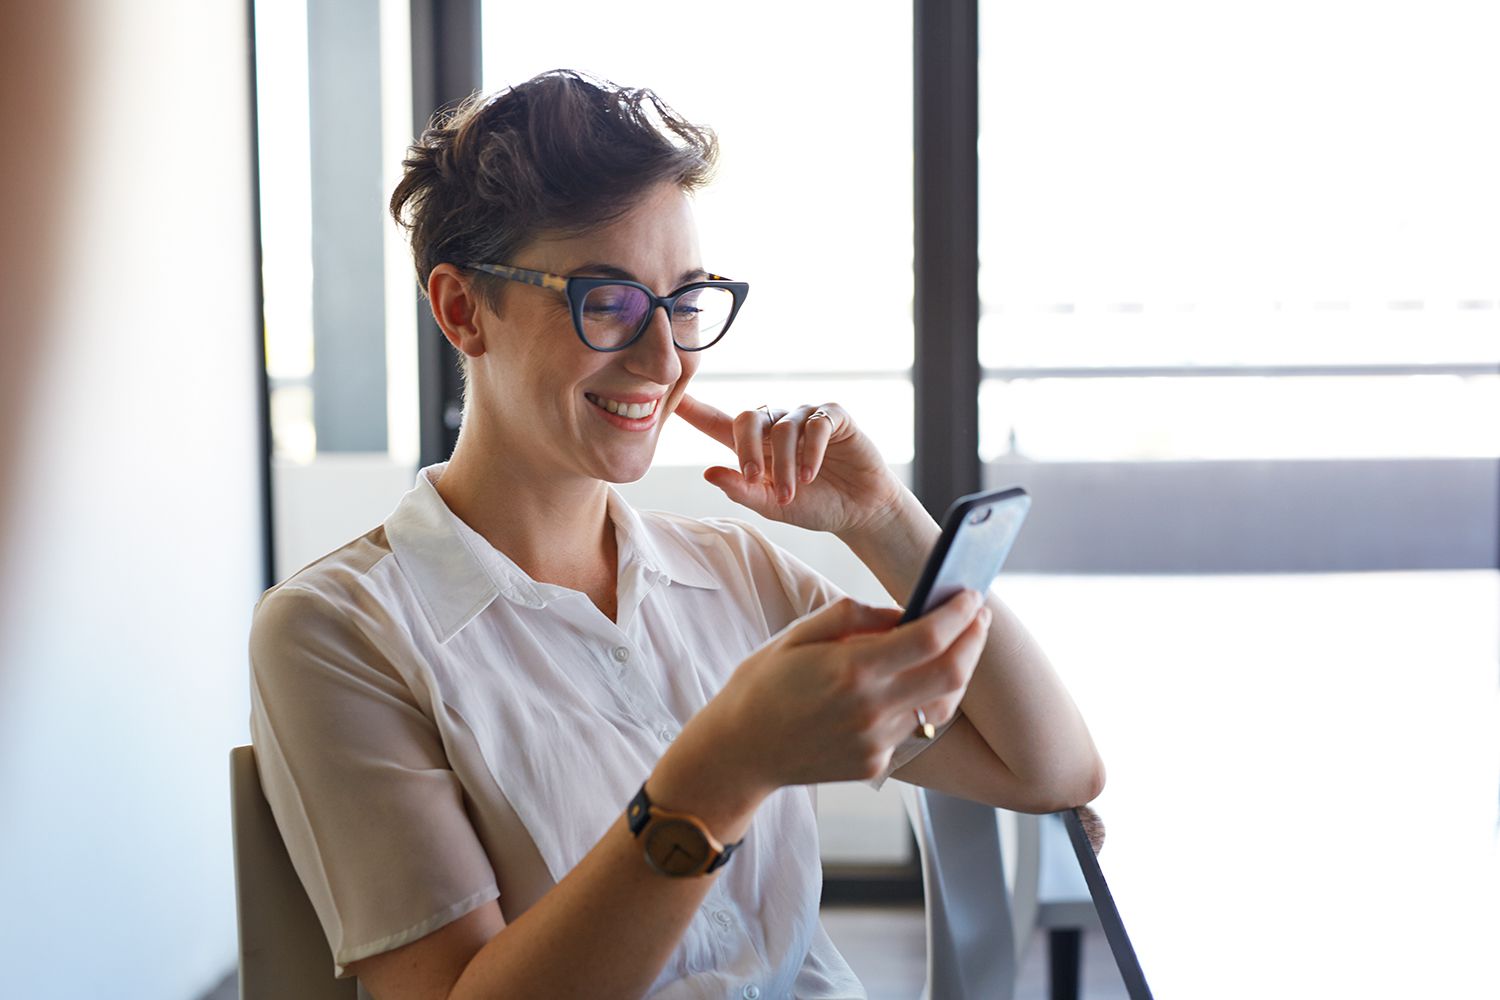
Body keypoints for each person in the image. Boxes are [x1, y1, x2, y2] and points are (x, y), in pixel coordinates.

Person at [248, 69, 1105, 1000]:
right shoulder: (338, 633)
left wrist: (884, 520)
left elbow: (1054, 769)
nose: (665, 360)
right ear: (461, 309)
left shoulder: (732, 574)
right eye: (608, 301)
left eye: (686, 301)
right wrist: (722, 770)